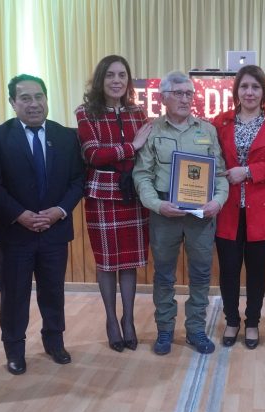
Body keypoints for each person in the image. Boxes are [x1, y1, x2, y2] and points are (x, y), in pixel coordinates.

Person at [0, 74, 85, 375]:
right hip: (16, 232)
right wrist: (20, 214)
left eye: (39, 96)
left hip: (54, 230)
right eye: (25, 98)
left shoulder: (66, 136)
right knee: (14, 294)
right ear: (13, 102)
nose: (34, 103)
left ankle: (54, 341)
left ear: (47, 99)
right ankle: (14, 349)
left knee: (53, 291)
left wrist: (60, 211)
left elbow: (78, 181)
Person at [133, 70, 229, 355]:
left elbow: (221, 174)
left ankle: (196, 331)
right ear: (164, 97)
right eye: (179, 93)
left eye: (189, 93)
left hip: (202, 215)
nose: (186, 99)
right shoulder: (152, 131)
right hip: (165, 213)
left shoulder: (207, 130)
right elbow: (142, 175)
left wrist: (218, 201)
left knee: (200, 275)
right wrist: (157, 204)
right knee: (164, 275)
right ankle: (164, 331)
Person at [75, 55, 153, 352]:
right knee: (107, 263)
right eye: (110, 75)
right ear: (100, 80)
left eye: (122, 75)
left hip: (133, 193)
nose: (117, 81)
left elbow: (145, 156)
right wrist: (131, 147)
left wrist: (131, 152)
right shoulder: (85, 113)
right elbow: (93, 155)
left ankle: (129, 319)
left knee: (130, 262)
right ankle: (111, 320)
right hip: (101, 195)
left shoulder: (137, 113)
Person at [212, 65, 265, 349]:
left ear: (263, 92)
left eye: (255, 87)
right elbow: (209, 159)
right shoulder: (219, 122)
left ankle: (253, 322)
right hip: (227, 208)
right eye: (244, 86)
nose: (249, 92)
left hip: (263, 207)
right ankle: (232, 320)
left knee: (257, 269)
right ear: (236, 91)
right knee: (229, 269)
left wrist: (246, 171)